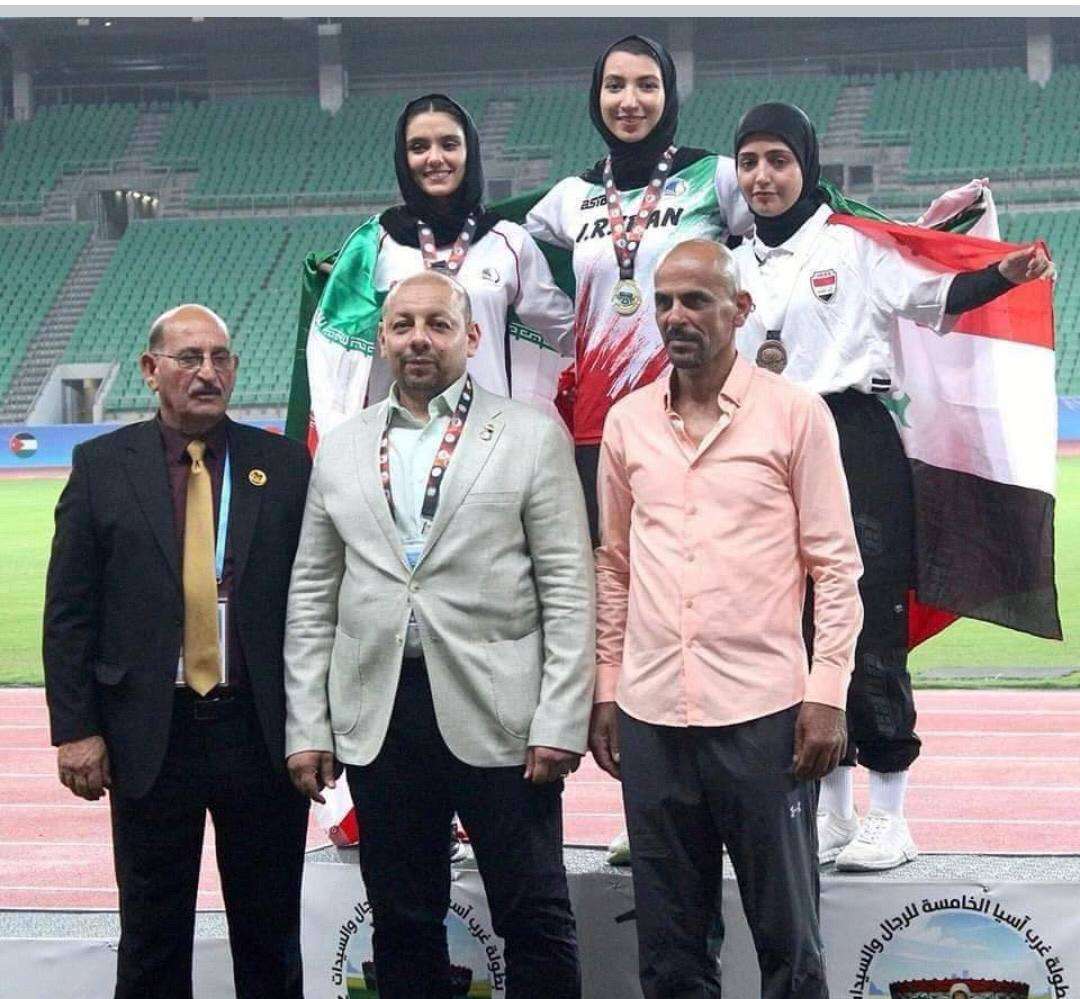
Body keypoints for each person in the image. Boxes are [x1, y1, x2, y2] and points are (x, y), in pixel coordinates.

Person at [730, 102, 1053, 872]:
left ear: (808, 165)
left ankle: (891, 813)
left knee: (870, 621)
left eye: (778, 160)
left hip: (852, 438)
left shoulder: (851, 244)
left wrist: (1000, 275)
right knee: (795, 626)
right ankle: (833, 811)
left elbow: (934, 296)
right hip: (764, 441)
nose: (763, 176)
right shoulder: (731, 260)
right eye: (749, 162)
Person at [284, 271, 595, 999]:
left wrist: (561, 718)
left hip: (503, 713)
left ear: (472, 336)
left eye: (438, 324)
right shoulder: (343, 448)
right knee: (401, 920)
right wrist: (308, 725)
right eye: (402, 325)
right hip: (381, 714)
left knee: (534, 913)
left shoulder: (529, 436)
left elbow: (568, 587)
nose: (418, 339)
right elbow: (312, 596)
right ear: (382, 339)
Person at [589, 239, 863, 998]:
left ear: (740, 310)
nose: (676, 316)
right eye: (664, 302)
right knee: (670, 948)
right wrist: (607, 686)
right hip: (651, 714)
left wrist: (827, 693)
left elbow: (836, 566)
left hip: (764, 714)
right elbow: (613, 565)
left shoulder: (795, 414)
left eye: (696, 301)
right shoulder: (627, 422)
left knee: (789, 940)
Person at [42, 304, 312, 999]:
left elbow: (316, 606)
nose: (207, 372)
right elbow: (69, 610)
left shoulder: (283, 465)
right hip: (148, 733)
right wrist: (76, 729)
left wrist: (317, 726)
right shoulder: (102, 466)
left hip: (259, 730)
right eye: (189, 357)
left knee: (270, 935)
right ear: (150, 369)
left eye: (221, 358)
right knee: (152, 938)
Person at [526, 33, 754, 541]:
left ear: (669, 94)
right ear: (597, 97)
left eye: (647, 85)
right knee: (609, 564)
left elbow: (789, 220)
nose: (629, 101)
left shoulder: (715, 177)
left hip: (695, 412)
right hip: (599, 417)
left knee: (696, 559)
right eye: (615, 86)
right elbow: (501, 255)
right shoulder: (570, 196)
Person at [353, 92, 573, 413]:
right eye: (419, 147)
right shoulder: (373, 243)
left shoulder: (508, 241)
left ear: (469, 151)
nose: (434, 158)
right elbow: (344, 343)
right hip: (396, 432)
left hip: (486, 432)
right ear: (403, 158)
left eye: (449, 144)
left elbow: (566, 331)